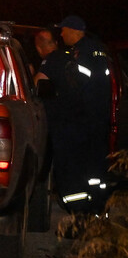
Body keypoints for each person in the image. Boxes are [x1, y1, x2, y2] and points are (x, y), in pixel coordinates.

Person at [35, 16, 112, 215]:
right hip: (95, 122)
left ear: (74, 30)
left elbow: (79, 87)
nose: (61, 34)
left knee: (71, 169)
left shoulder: (80, 53)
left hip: (76, 122)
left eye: (63, 30)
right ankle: (96, 209)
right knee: (94, 169)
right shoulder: (94, 49)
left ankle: (78, 212)